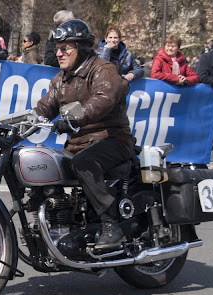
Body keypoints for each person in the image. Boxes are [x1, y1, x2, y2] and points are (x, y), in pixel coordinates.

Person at [34, 19, 136, 250]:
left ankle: (111, 225)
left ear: (82, 47)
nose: (58, 53)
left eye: (64, 48)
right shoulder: (61, 79)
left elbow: (103, 99)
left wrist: (74, 118)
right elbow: (43, 108)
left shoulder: (103, 69)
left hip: (111, 139)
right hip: (78, 144)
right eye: (57, 49)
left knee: (84, 162)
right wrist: (13, 124)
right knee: (42, 165)